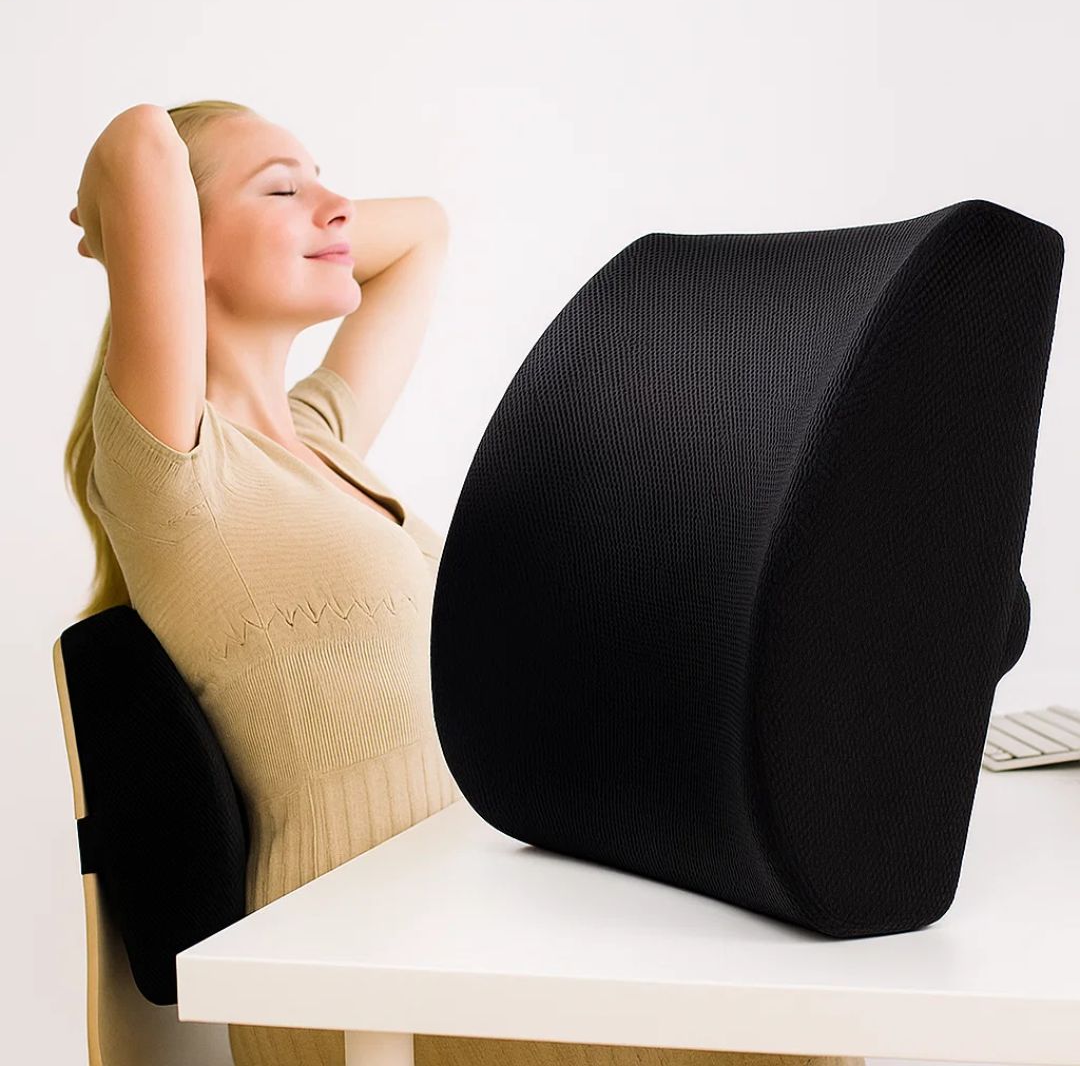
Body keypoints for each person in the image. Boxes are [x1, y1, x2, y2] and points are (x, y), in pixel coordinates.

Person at [64, 99, 864, 1066]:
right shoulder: (173, 470)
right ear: (177, 239)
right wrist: (117, 219)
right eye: (281, 190)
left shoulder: (320, 438)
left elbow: (424, 231)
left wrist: (289, 207)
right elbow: (139, 143)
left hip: (471, 916)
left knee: (814, 1000)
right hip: (358, 966)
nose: (337, 207)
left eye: (325, 182)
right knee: (793, 1040)